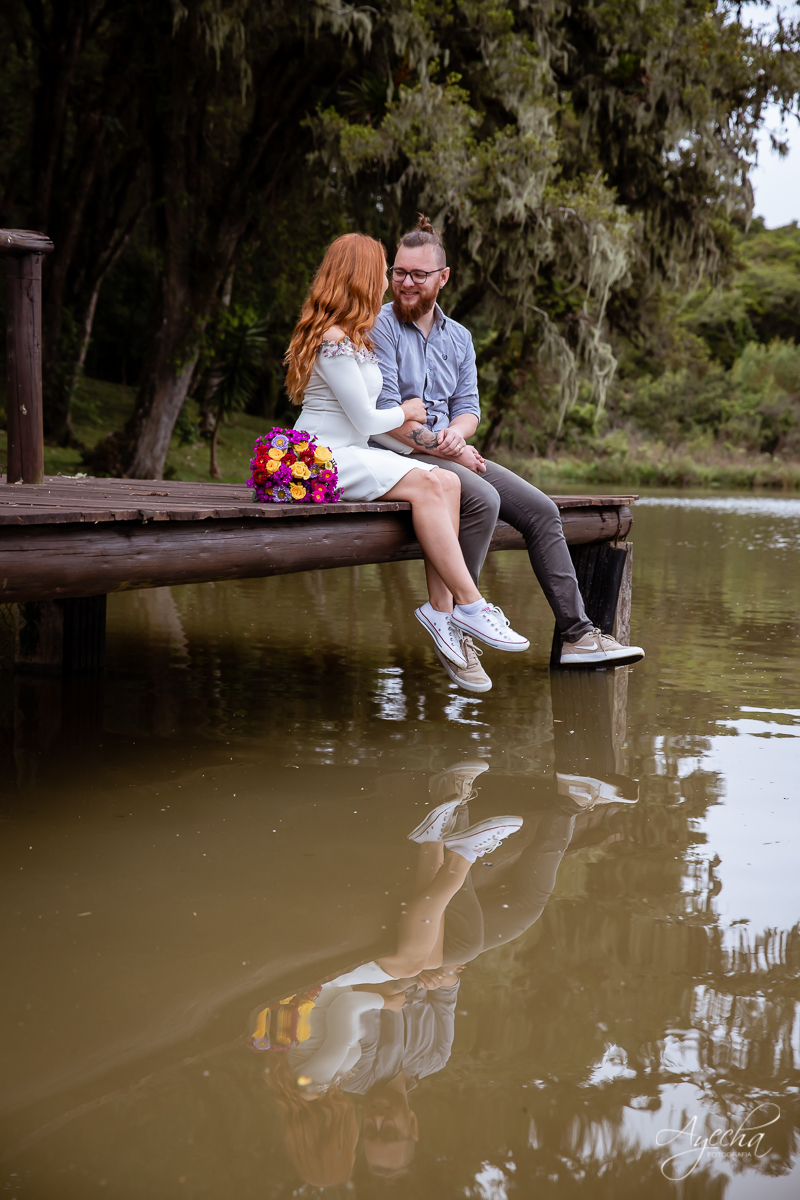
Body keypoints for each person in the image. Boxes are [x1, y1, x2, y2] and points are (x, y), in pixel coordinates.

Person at [369, 214, 645, 692]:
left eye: (418, 275)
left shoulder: (459, 338)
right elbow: (392, 417)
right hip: (395, 452)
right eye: (399, 272)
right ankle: (457, 621)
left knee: (541, 511)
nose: (406, 283)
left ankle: (578, 636)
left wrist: (457, 436)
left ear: (443, 278)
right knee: (482, 497)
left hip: (446, 450)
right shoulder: (381, 326)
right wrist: (454, 452)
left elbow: (469, 408)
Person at [284, 231, 530, 682]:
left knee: (449, 480)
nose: (389, 279)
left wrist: (445, 446)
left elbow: (371, 422)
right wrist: (408, 412)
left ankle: (443, 614)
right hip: (322, 456)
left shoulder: (354, 335)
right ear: (360, 275)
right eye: (384, 269)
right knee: (433, 482)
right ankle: (469, 606)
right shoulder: (334, 337)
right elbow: (363, 417)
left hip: (352, 449)